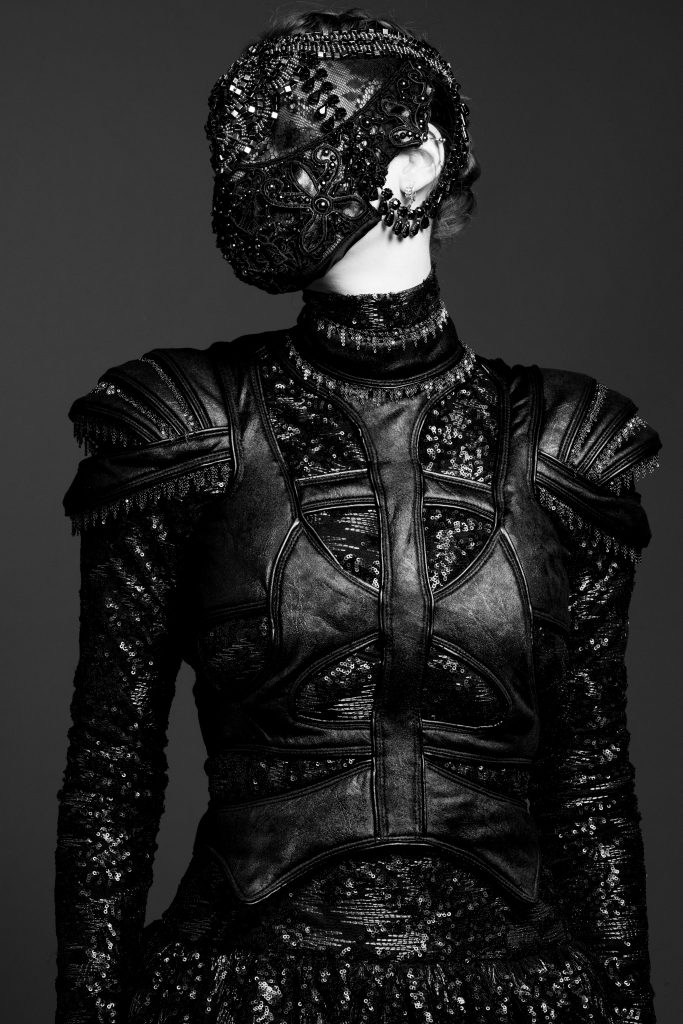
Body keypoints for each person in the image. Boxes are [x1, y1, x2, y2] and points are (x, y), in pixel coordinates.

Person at [54, 8, 662, 1024]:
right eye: (251, 142)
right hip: (240, 992)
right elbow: (112, 767)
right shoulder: (185, 422)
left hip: (515, 997)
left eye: (304, 134)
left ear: (419, 158)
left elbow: (588, 780)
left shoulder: (563, 442)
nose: (266, 169)